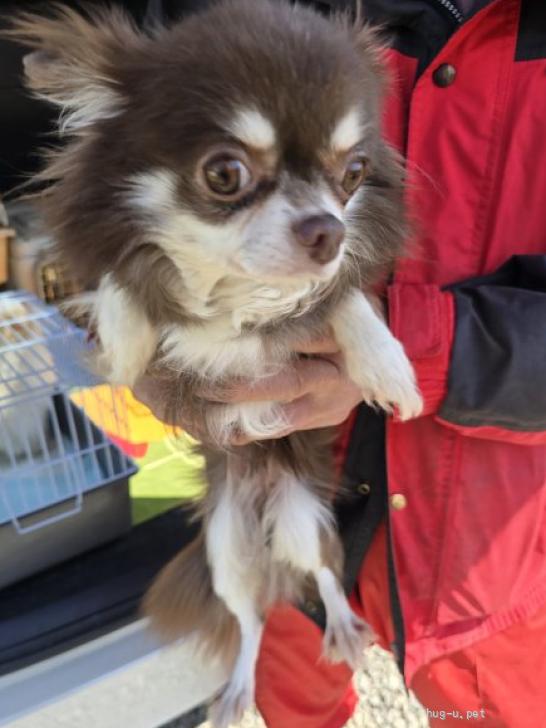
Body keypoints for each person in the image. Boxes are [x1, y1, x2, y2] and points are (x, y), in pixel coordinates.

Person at [135, 1, 546, 726]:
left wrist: (409, 344)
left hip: (493, 558)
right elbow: (118, 177)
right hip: (279, 509)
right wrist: (139, 322)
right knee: (293, 704)